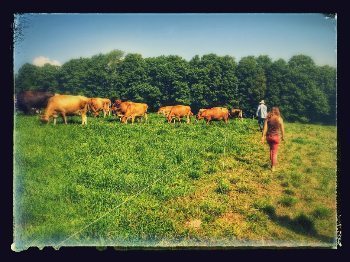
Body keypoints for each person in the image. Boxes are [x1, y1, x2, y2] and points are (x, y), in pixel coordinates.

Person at [261, 107, 285, 172]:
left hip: (268, 137)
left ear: (271, 111)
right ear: (278, 112)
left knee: (271, 150)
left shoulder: (268, 118)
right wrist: (283, 137)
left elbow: (265, 128)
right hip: (276, 137)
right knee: (275, 152)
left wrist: (263, 136)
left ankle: (272, 164)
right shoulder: (280, 119)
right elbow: (282, 129)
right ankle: (273, 167)